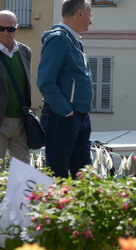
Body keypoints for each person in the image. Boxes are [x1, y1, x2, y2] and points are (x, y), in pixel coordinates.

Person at [37, 0, 93, 178]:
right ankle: (56, 206)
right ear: (80, 13)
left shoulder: (74, 41)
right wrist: (66, 111)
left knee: (84, 174)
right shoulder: (59, 39)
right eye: (90, 15)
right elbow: (45, 81)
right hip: (62, 118)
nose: (91, 21)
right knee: (58, 174)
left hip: (79, 117)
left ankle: (82, 206)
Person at [0, 10, 32, 168]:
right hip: (0, 120)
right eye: (1, 28)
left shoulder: (25, 51)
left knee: (24, 171)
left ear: (17, 29)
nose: (6, 32)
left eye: (10, 29)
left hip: (21, 122)